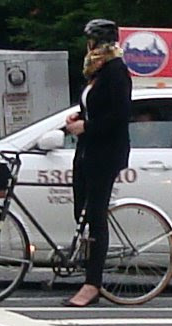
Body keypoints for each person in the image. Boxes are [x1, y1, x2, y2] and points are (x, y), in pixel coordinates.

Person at [64, 19, 132, 307]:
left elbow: (118, 117)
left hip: (106, 153)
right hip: (87, 151)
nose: (86, 46)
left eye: (89, 41)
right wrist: (78, 119)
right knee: (81, 210)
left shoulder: (117, 72)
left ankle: (92, 284)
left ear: (99, 43)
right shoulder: (96, 71)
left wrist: (87, 127)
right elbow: (92, 108)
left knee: (95, 215)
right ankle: (87, 270)